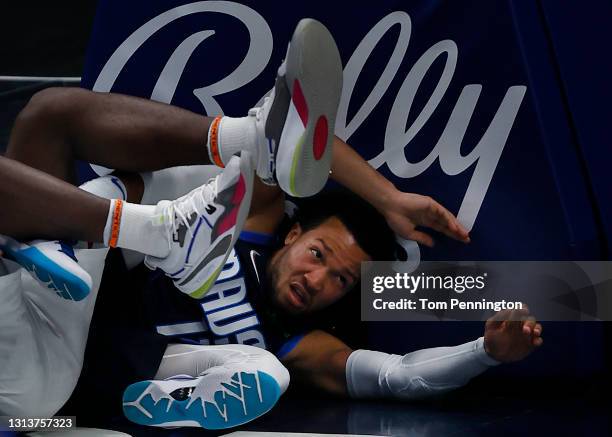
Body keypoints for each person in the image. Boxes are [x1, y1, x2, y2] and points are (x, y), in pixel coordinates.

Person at [0, 18, 543, 430]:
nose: (321, 279)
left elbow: (397, 375)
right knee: (52, 112)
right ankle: (229, 154)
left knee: (261, 368)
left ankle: (127, 231)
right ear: (291, 232)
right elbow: (306, 151)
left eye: (342, 282)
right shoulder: (254, 220)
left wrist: (485, 353)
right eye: (320, 254)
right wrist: (389, 196)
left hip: (55, 391)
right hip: (65, 291)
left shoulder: (294, 340)